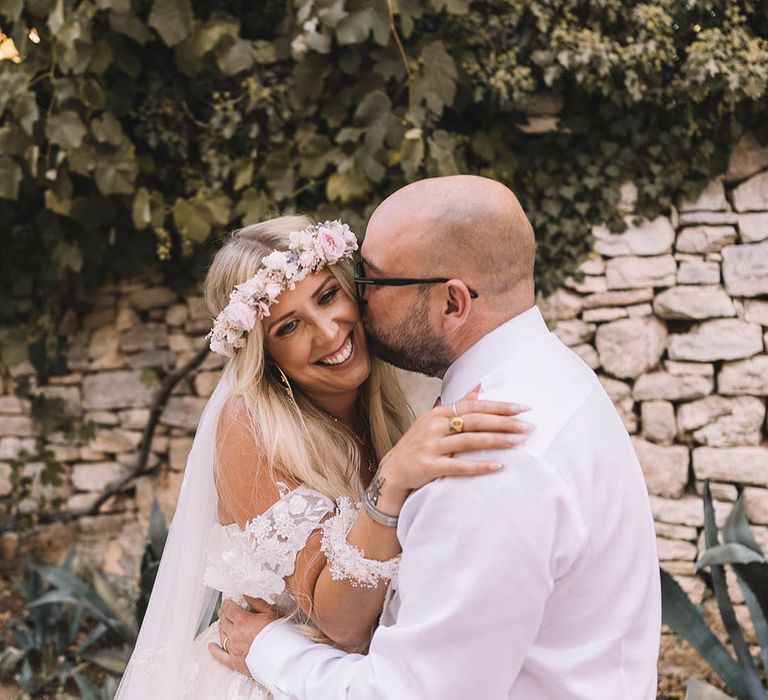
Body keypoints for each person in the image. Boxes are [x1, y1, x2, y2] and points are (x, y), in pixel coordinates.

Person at [215, 176, 662, 699]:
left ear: (452, 303)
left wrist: (268, 649)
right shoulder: (556, 378)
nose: (348, 315)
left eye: (369, 281)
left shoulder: (487, 456)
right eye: (287, 327)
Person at [115, 215, 532, 699]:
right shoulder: (250, 426)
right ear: (264, 353)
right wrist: (390, 482)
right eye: (289, 326)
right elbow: (344, 623)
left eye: (327, 296)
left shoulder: (385, 406)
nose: (328, 332)